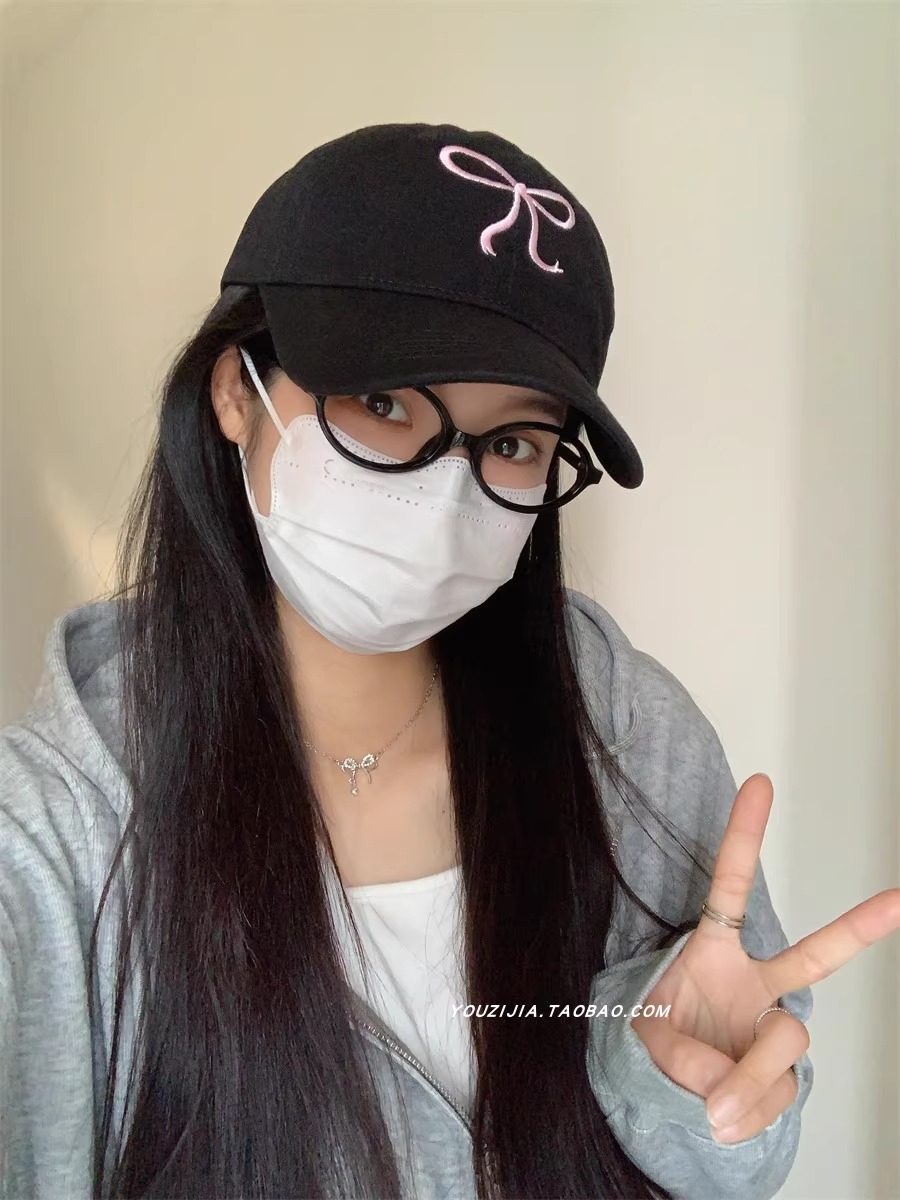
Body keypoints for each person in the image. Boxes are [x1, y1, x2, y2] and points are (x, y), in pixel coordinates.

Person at [0, 121, 896, 1200]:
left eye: (513, 442)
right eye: (385, 404)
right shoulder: (50, 837)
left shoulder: (625, 734)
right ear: (238, 393)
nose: (443, 497)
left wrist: (678, 1096)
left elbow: (729, 1146)